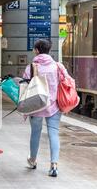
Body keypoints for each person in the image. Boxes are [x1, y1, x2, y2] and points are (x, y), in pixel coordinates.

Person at [23, 39, 70, 178]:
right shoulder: (57, 66)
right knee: (53, 134)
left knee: (35, 133)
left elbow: (25, 84)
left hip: (36, 106)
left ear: (37, 50)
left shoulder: (31, 67)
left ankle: (32, 160)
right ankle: (54, 165)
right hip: (54, 106)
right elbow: (66, 80)